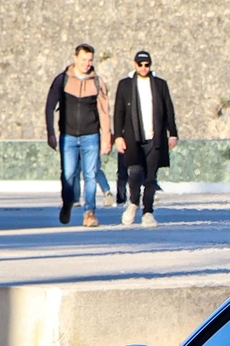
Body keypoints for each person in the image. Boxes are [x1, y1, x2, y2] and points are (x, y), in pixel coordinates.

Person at [42, 45, 112, 227]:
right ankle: (67, 203)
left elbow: (104, 111)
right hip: (68, 136)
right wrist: (50, 132)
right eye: (84, 60)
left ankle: (89, 213)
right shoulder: (63, 80)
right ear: (75, 58)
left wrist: (107, 137)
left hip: (91, 136)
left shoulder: (97, 82)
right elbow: (50, 106)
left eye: (90, 60)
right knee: (68, 174)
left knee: (90, 174)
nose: (87, 64)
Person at [114, 49, 179, 225]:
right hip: (133, 137)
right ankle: (134, 202)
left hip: (155, 137)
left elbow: (168, 111)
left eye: (147, 64)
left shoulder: (159, 85)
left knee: (151, 177)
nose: (144, 68)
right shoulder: (125, 85)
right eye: (140, 64)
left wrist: (172, 133)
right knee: (134, 173)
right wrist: (117, 136)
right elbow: (118, 112)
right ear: (135, 65)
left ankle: (148, 212)